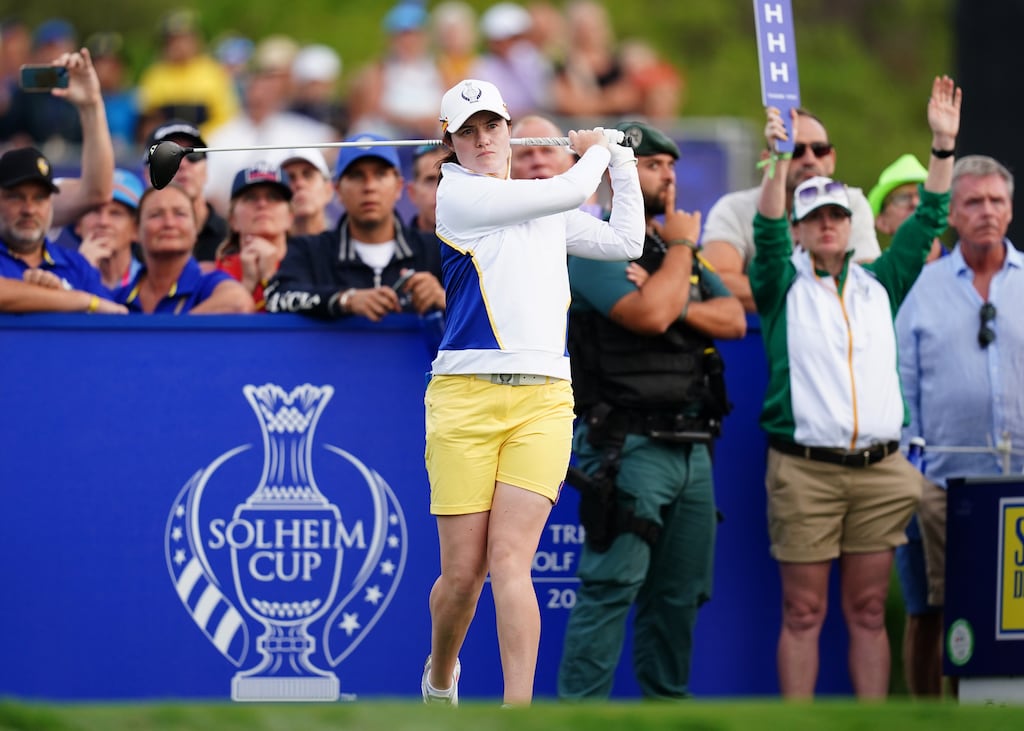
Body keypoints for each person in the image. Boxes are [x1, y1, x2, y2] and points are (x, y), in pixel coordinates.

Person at [421, 78, 644, 706]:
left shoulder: (543, 210)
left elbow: (627, 239)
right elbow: (572, 186)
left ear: (509, 129)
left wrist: (621, 161)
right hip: (464, 399)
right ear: (452, 143)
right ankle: (442, 676)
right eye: (468, 130)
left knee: (512, 561)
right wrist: (599, 146)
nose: (483, 139)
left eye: (491, 125)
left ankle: (517, 713)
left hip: (544, 399)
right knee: (463, 576)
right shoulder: (458, 195)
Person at [749, 75, 961, 699]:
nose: (828, 226)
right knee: (804, 613)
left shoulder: (882, 279)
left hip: (878, 468)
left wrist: (942, 147)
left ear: (852, 220)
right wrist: (775, 160)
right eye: (815, 217)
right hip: (805, 470)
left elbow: (928, 218)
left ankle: (872, 720)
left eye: (838, 215)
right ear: (801, 225)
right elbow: (764, 231)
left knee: (869, 610)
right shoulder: (779, 282)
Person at [557, 121, 746, 700]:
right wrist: (684, 258)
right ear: (620, 175)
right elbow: (648, 318)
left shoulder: (665, 252)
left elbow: (733, 318)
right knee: (612, 587)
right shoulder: (590, 242)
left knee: (679, 594)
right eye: (651, 165)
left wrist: (671, 287)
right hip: (627, 446)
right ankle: (578, 718)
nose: (667, 175)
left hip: (692, 446)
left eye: (669, 166)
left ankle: (666, 716)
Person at [895, 154, 1024, 696]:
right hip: (943, 482)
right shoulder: (922, 288)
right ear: (952, 212)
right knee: (935, 611)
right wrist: (911, 473)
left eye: (996, 201)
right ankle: (929, 714)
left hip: (1017, 482)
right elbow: (902, 383)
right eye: (973, 202)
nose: (987, 212)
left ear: (1011, 209)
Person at [700, 108, 881, 312]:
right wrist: (810, 300)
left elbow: (867, 285)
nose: (810, 159)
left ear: (832, 159)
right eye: (795, 151)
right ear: (768, 159)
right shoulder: (734, 208)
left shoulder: (852, 202)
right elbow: (715, 282)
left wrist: (777, 295)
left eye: (819, 150)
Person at [264, 132, 444, 321]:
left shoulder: (436, 250)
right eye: (357, 175)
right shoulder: (309, 250)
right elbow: (276, 298)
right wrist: (345, 300)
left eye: (380, 174)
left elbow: (477, 309)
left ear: (398, 187)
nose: (369, 186)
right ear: (338, 190)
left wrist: (444, 298)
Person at [203, 35, 337, 215]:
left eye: (267, 89)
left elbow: (334, 143)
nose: (260, 95)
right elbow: (210, 191)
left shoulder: (295, 127)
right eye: (255, 88)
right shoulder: (222, 137)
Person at [0, 146, 121, 314]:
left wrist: (63, 294)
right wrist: (80, 300)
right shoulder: (81, 284)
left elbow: (115, 317)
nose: (29, 210)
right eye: (16, 197)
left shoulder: (77, 265)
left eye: (39, 198)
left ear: (51, 204)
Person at [114, 183, 253, 314]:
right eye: (156, 214)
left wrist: (169, 333)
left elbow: (239, 303)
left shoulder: (208, 283)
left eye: (180, 214)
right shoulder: (119, 298)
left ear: (196, 229)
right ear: (136, 230)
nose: (169, 223)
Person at [135, 8, 240, 139]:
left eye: (184, 39)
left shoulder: (213, 72)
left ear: (196, 40)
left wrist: (195, 138)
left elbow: (226, 117)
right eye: (173, 40)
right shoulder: (155, 75)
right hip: (165, 145)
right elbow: (147, 119)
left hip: (206, 143)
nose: (179, 45)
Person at [346, 3, 446, 140]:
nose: (408, 42)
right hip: (391, 135)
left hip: (429, 135)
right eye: (402, 36)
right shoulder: (379, 69)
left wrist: (429, 121)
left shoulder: (439, 68)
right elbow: (372, 109)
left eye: (414, 35)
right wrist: (412, 122)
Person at [143, 119, 228, 264]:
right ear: (147, 174)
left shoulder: (232, 236)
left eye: (193, 155)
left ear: (206, 170)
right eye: (168, 157)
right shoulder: (133, 239)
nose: (182, 164)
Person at [214, 163, 294, 310]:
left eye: (274, 197)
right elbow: (211, 331)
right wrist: (247, 285)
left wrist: (271, 280)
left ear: (290, 217)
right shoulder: (218, 272)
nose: (262, 204)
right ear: (232, 219)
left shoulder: (307, 267)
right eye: (250, 198)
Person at [470, 2, 553, 119]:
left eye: (513, 38)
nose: (506, 44)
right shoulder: (482, 67)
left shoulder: (536, 61)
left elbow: (546, 99)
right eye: (500, 40)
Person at [76, 168, 144, 291]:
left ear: (136, 230)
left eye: (115, 213)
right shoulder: (56, 279)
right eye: (94, 211)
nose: (103, 222)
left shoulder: (153, 282)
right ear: (78, 224)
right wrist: (80, 271)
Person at [869, 154, 945, 263]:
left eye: (922, 194)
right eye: (902, 197)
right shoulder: (874, 278)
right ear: (882, 222)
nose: (915, 203)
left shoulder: (972, 269)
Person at [275, 148, 336, 235]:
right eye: (289, 177)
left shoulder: (347, 244)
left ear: (328, 190)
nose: (300, 184)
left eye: (308, 175)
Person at [405, 144, 446, 235]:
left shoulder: (481, 246)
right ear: (412, 192)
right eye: (430, 180)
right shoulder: (397, 247)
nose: (439, 191)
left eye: (446, 179)